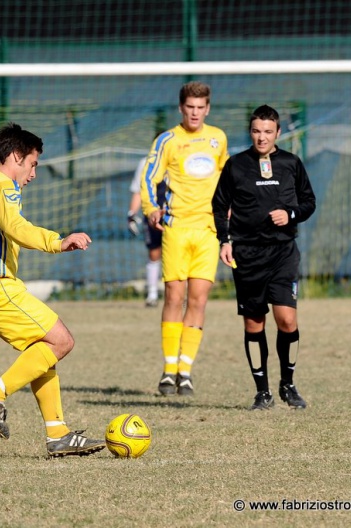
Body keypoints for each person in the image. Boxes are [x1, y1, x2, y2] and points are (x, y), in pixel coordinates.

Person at [0, 123, 105, 458]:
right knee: (62, 340)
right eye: (33, 164)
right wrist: (57, 241)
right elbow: (17, 227)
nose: (34, 173)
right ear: (15, 156)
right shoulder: (2, 184)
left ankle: (58, 434)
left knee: (45, 348)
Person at [211, 105, 316, 411]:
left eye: (268, 132)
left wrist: (290, 213)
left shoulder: (291, 163)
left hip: (283, 252)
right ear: (251, 132)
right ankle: (262, 392)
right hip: (246, 254)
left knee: (287, 319)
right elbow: (219, 205)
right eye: (257, 131)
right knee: (254, 323)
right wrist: (224, 240)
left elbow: (309, 202)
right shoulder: (236, 165)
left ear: (278, 133)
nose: (262, 137)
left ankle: (289, 384)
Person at [141, 81, 229, 397]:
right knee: (174, 299)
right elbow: (149, 176)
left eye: (200, 107)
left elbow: (227, 179)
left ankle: (186, 371)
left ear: (208, 108)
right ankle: (168, 370)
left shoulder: (218, 138)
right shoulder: (167, 140)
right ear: (181, 108)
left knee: (199, 300)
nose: (194, 113)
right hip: (176, 229)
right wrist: (151, 208)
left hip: (208, 231)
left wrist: (229, 213)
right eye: (189, 107)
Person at [127, 160, 167, 307]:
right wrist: (131, 214)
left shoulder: (183, 155)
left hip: (178, 215)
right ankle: (152, 294)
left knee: (179, 254)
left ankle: (181, 295)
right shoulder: (146, 163)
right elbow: (138, 190)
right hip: (152, 215)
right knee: (154, 253)